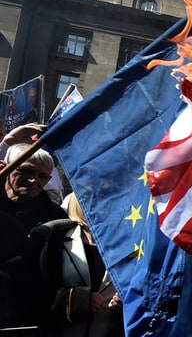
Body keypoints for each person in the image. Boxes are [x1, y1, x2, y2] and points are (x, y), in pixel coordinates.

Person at [31, 193, 123, 336]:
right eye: (94, 200)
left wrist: (128, 302)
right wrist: (78, 300)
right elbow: (34, 292)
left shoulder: (130, 244)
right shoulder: (53, 242)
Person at [0, 143, 67, 232]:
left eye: (42, 176)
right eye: (26, 171)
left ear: (48, 180)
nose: (34, 180)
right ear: (3, 167)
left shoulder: (56, 217)